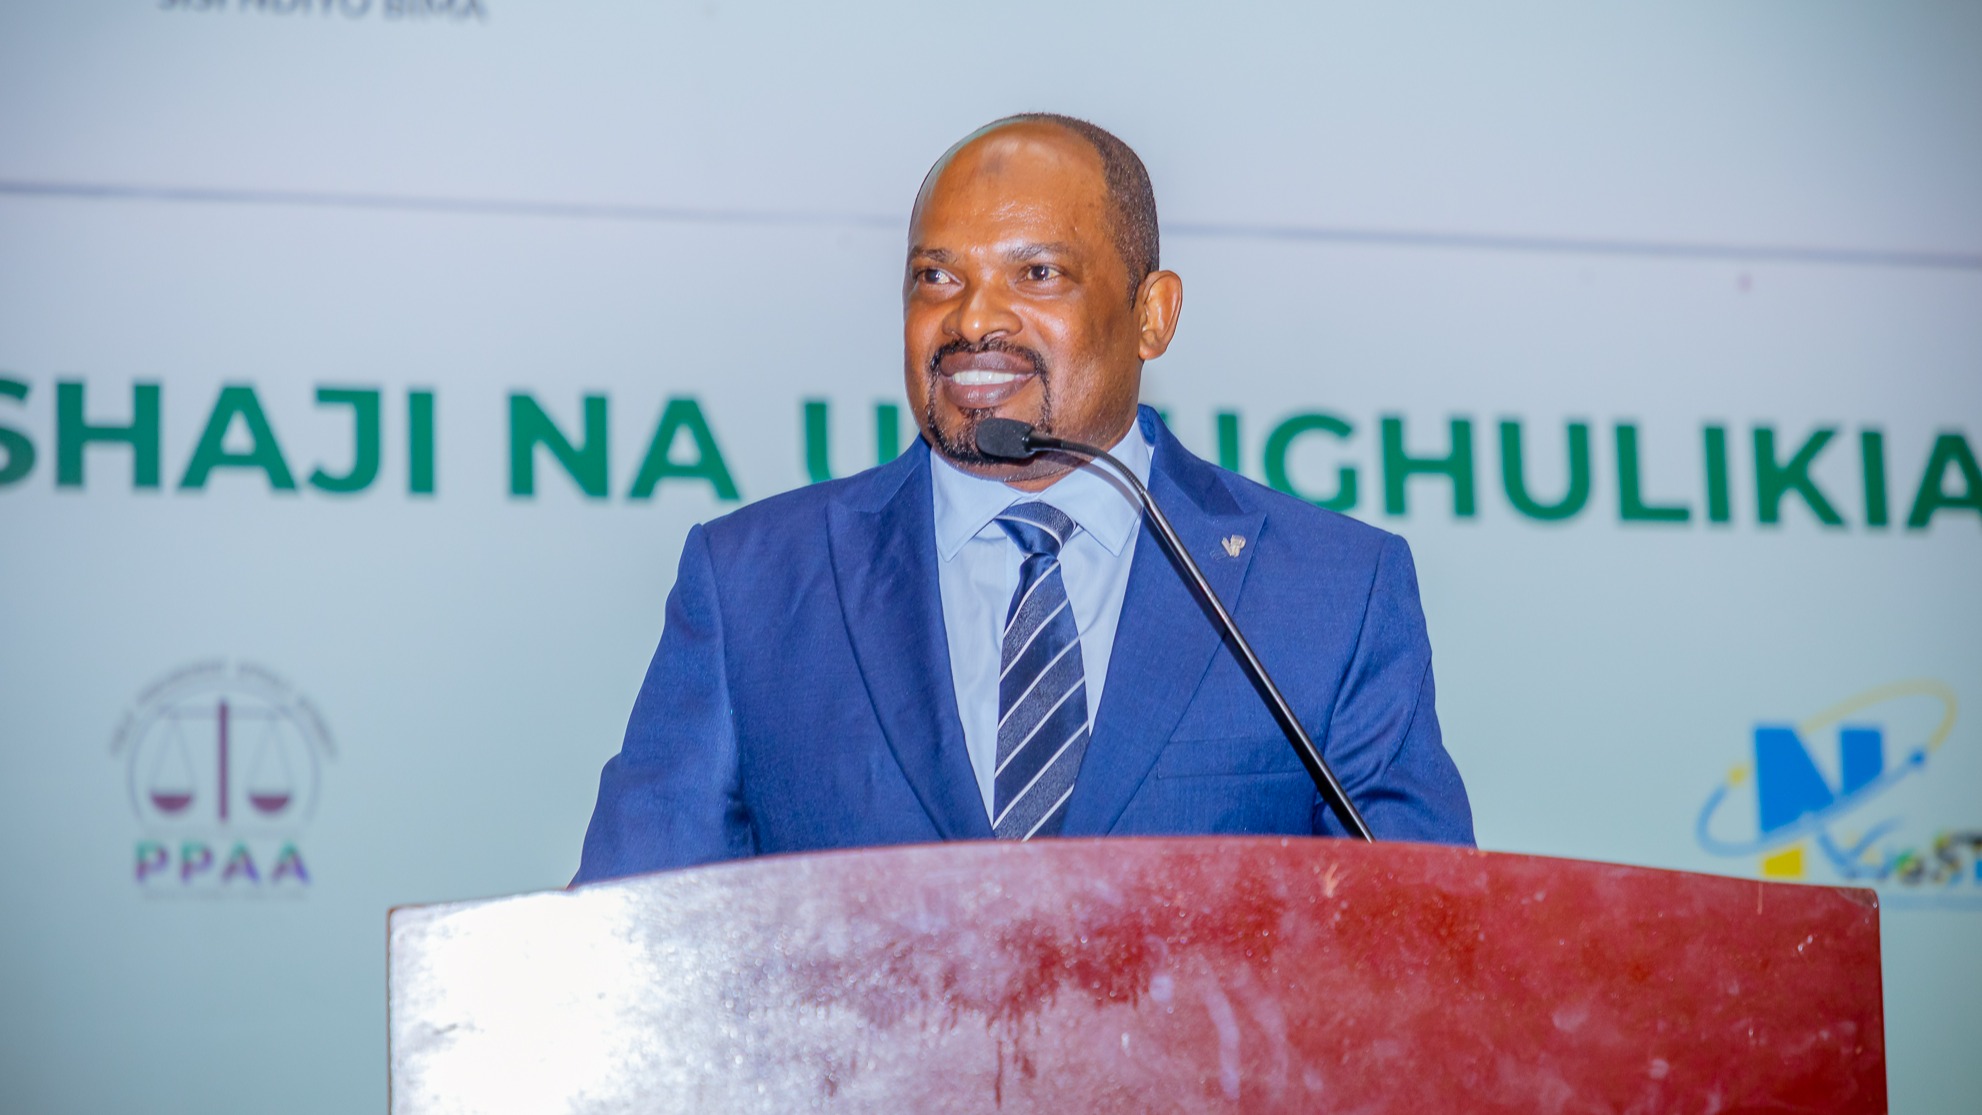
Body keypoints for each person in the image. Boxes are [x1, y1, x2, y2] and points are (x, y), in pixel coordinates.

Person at [574, 114, 1471, 883]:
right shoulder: (754, 584)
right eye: (937, 277)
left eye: (1037, 273)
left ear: (1153, 314)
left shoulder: (1330, 590)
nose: (972, 319)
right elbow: (631, 942)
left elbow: (1433, 952)